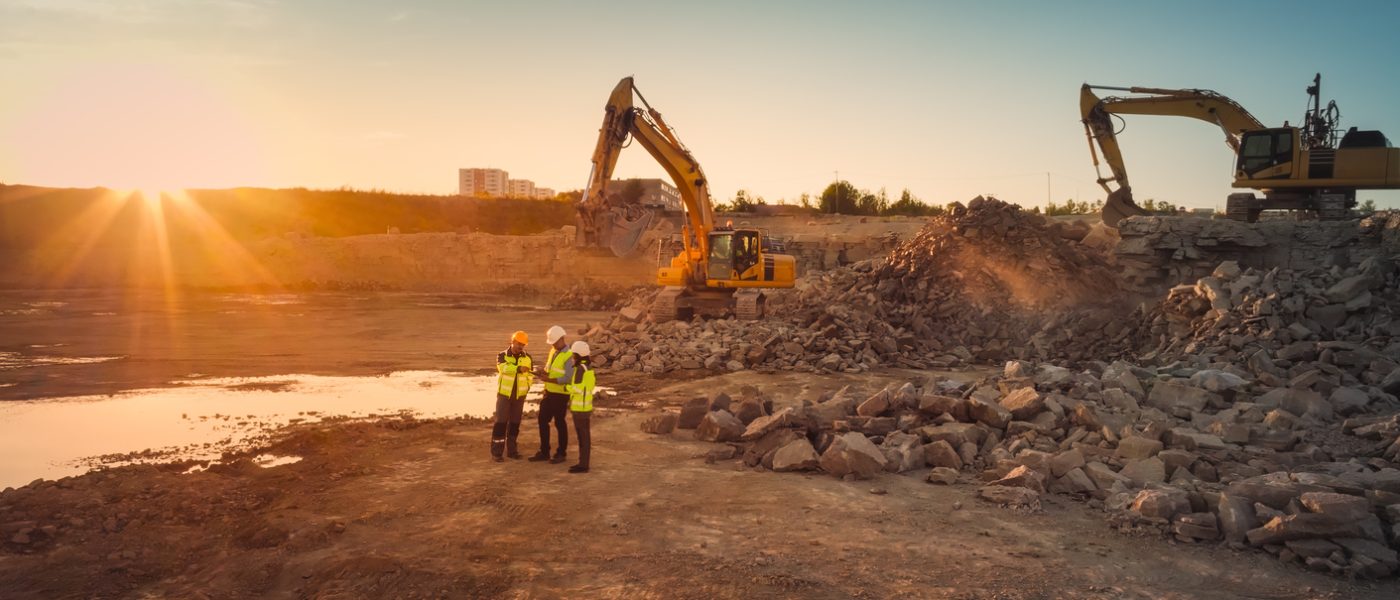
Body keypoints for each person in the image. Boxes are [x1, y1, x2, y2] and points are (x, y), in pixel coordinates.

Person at [528, 325, 571, 464]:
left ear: (561, 339)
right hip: (549, 392)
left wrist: (549, 379)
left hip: (560, 395)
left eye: (554, 341)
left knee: (559, 423)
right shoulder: (553, 351)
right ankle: (544, 452)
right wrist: (543, 372)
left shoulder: (569, 355)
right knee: (542, 420)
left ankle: (561, 453)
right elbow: (550, 369)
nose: (552, 344)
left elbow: (568, 378)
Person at [492, 330, 533, 462]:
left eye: (523, 344)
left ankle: (512, 451)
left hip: (519, 397)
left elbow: (530, 376)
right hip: (504, 395)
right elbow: (503, 369)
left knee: (515, 424)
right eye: (518, 343)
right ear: (512, 341)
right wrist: (517, 369)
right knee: (500, 423)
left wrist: (526, 389)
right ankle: (497, 453)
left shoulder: (528, 358)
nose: (520, 346)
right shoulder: (502, 355)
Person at [566, 340, 596, 474]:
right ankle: (583, 463)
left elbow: (577, 389)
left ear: (577, 355)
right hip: (586, 407)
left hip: (580, 409)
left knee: (582, 437)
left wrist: (566, 387)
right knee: (585, 437)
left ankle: (583, 465)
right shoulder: (588, 368)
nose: (573, 357)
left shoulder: (580, 369)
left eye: (573, 355)